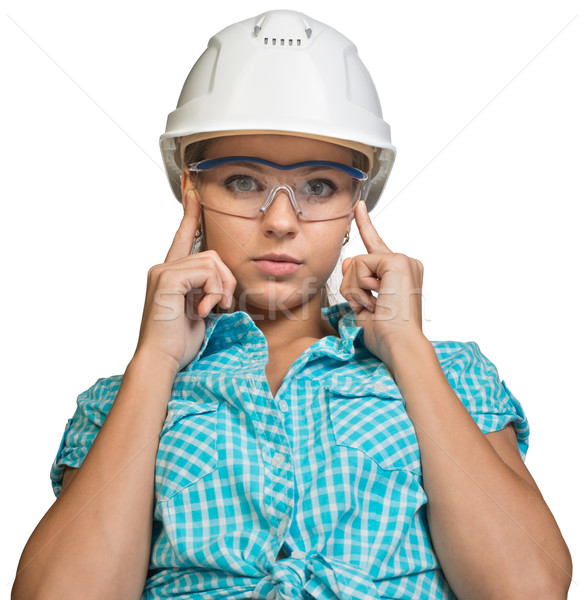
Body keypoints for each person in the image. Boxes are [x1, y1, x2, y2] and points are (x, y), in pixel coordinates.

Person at [13, 9, 571, 600]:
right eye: (244, 182)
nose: (281, 221)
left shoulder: (452, 375)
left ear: (359, 202)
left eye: (320, 186)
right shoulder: (122, 400)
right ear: (192, 191)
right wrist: (154, 361)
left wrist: (407, 346)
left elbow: (527, 589)